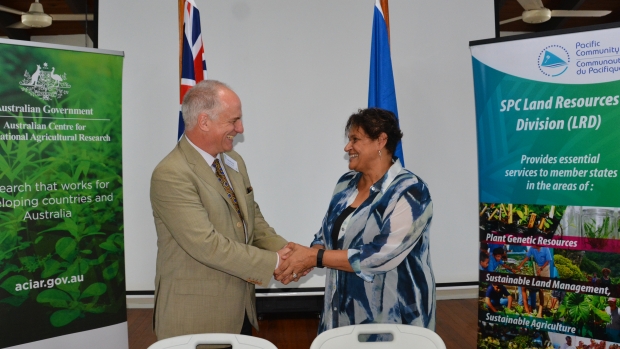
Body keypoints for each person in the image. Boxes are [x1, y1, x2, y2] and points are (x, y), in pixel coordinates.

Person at [274, 108, 435, 333]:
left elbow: (378, 257)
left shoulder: (410, 191)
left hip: (393, 322)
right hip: (339, 315)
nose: (347, 147)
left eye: (355, 139)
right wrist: (304, 259)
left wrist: (315, 257)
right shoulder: (346, 183)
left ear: (381, 141)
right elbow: (326, 234)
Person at [150, 80, 289, 340]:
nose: (240, 128)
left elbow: (252, 218)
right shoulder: (171, 174)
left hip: (241, 310)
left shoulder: (233, 161)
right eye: (233, 121)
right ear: (204, 122)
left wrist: (286, 250)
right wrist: (278, 263)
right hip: (195, 318)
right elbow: (206, 245)